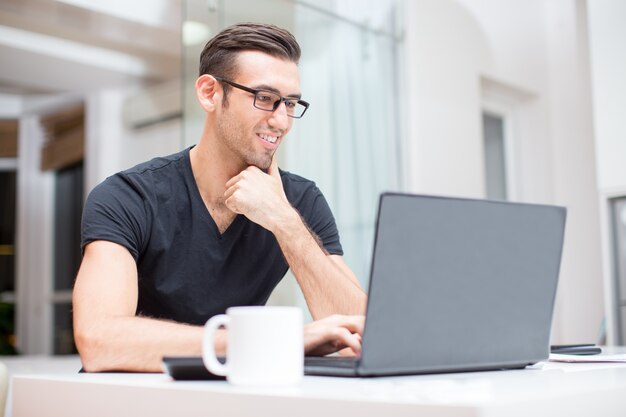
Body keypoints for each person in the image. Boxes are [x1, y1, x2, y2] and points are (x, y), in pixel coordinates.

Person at [73, 22, 368, 372]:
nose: (282, 121)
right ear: (210, 93)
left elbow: (362, 334)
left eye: (289, 103)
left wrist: (285, 222)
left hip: (233, 394)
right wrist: (271, 341)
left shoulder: (299, 201)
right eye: (265, 98)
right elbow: (99, 341)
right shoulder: (127, 196)